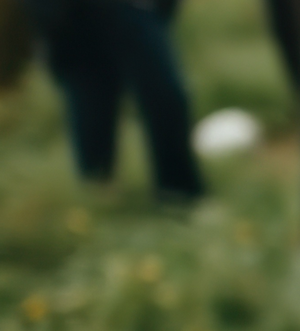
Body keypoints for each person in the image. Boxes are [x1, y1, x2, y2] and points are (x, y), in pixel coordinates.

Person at [18, 0, 203, 199]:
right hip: (69, 14)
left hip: (128, 7)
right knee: (89, 101)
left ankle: (179, 195)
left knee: (164, 94)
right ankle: (98, 195)